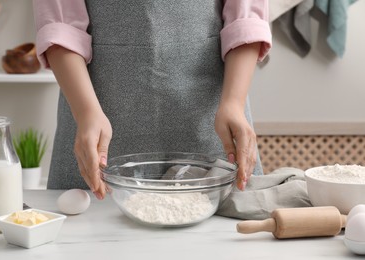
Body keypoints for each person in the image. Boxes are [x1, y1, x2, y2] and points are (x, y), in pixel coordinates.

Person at [33, 0, 272, 200]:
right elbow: (60, 25)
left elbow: (246, 17)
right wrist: (86, 112)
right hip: (94, 114)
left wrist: (233, 103)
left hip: (210, 119)